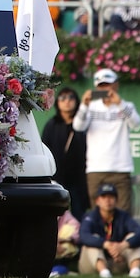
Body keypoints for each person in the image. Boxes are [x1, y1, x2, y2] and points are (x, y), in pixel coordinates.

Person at [73, 69, 140, 212]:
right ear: (97, 88)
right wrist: (84, 105)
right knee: (98, 215)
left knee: (123, 214)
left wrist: (120, 104)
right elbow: (78, 126)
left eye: (108, 85)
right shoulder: (90, 107)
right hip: (96, 169)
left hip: (121, 168)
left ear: (116, 85)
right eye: (101, 86)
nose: (105, 89)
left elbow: (136, 123)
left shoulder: (126, 106)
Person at [78, 184, 140, 278]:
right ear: (97, 201)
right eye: (104, 197)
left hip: (117, 261)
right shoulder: (90, 217)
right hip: (92, 264)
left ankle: (135, 271)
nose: (107, 200)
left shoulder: (123, 216)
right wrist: (105, 244)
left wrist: (123, 245)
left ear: (116, 200)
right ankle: (103, 272)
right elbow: (83, 236)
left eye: (111, 197)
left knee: (133, 237)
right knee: (93, 239)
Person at [41, 87, 90, 218]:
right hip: (58, 178)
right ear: (57, 102)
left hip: (79, 180)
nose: (67, 101)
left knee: (79, 214)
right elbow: (45, 150)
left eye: (71, 97)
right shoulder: (52, 125)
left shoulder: (83, 124)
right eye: (63, 98)